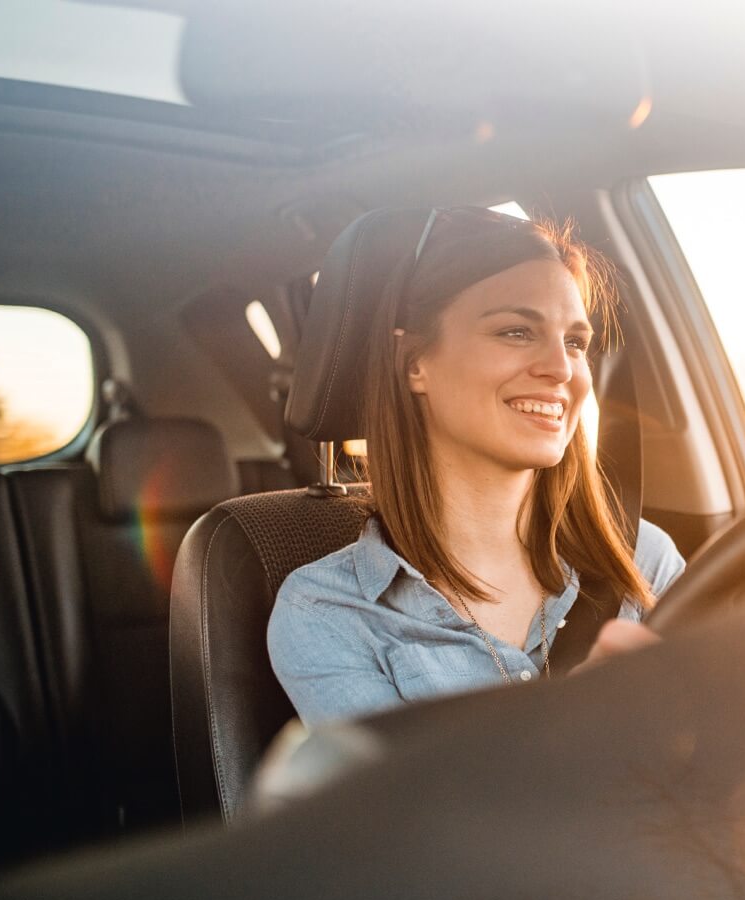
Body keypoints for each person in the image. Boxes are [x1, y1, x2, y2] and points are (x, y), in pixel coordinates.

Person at [268, 207, 685, 727]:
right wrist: (578, 730)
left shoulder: (643, 560)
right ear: (414, 362)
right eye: (516, 332)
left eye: (575, 342)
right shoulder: (329, 612)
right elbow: (410, 810)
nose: (562, 369)